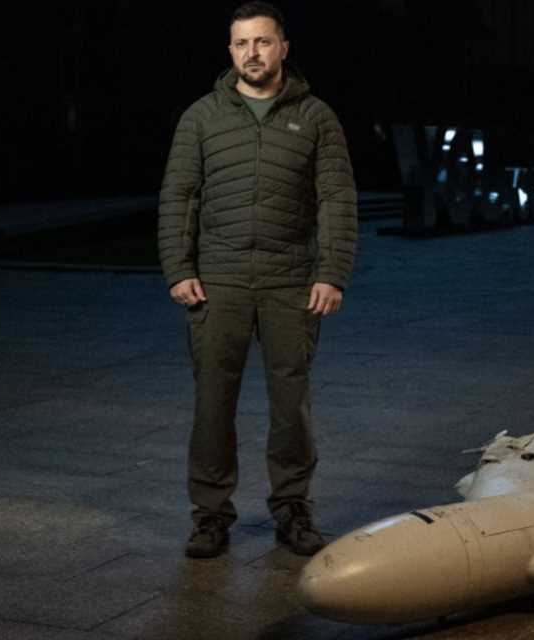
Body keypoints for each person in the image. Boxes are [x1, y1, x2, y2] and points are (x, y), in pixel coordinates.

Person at [158, 1, 357, 559]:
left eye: (263, 42)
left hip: (290, 282)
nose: (253, 52)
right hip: (216, 283)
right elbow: (179, 195)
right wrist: (179, 268)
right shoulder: (201, 116)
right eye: (242, 43)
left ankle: (293, 509)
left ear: (283, 48)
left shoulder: (316, 117)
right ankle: (210, 515)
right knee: (212, 403)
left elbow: (337, 199)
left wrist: (331, 273)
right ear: (230, 51)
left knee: (291, 405)